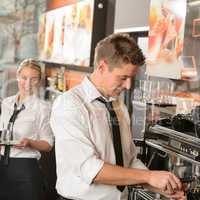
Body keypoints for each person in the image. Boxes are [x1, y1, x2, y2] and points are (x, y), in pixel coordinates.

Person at [50, 33, 185, 200]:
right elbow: (91, 169)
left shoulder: (117, 104)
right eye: (123, 77)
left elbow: (128, 161)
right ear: (101, 67)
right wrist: (149, 177)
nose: (128, 86)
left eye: (131, 78)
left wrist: (158, 186)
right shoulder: (69, 105)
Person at [0, 58, 54, 200]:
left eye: (34, 79)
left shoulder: (43, 108)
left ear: (39, 81)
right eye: (24, 78)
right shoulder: (6, 103)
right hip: (2, 168)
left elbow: (48, 144)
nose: (28, 83)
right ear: (17, 76)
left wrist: (29, 142)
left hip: (26, 169)